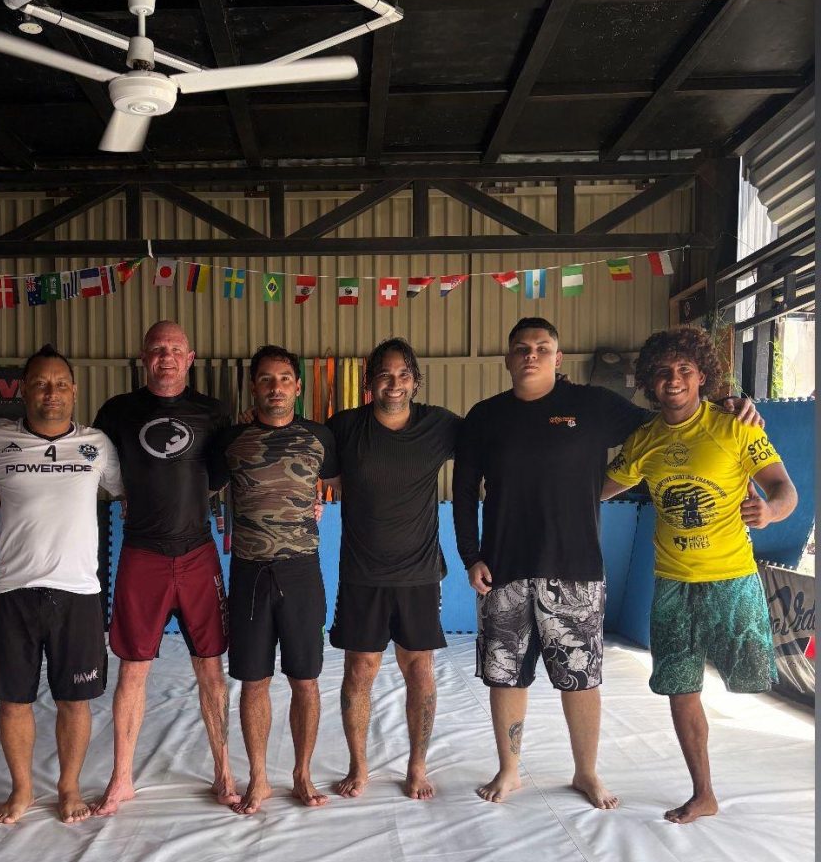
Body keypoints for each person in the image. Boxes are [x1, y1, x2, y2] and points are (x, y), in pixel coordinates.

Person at [452, 317, 761, 809]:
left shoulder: (593, 405)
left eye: (542, 347)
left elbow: (670, 417)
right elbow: (464, 491)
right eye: (522, 348)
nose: (531, 355)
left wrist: (729, 404)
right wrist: (471, 556)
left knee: (581, 678)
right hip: (503, 567)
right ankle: (509, 770)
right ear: (508, 358)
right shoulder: (485, 416)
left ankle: (586, 772)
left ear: (558, 358)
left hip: (576, 568)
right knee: (505, 675)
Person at [602, 326, 796, 824]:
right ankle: (703, 793)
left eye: (684, 370)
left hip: (732, 579)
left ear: (702, 376)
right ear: (650, 381)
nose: (674, 380)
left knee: (756, 683)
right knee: (680, 686)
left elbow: (784, 490)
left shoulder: (736, 427)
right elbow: (597, 490)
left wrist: (770, 512)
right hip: (672, 583)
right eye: (664, 372)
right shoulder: (644, 440)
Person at [0, 345, 124, 825]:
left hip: (78, 592)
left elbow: (129, 494)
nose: (51, 392)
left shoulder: (97, 444)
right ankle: (22, 790)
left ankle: (68, 787)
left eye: (60, 384)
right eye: (40, 383)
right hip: (12, 590)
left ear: (74, 390)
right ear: (24, 390)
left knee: (73, 701)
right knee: (13, 699)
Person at [90, 321, 238, 815]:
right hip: (142, 554)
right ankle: (121, 780)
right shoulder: (117, 411)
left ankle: (223, 772)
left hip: (197, 553)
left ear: (190, 358)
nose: (166, 357)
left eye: (175, 349)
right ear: (143, 356)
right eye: (157, 349)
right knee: (133, 668)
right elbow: (94, 467)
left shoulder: (213, 412)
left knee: (210, 666)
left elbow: (226, 474)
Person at [326, 338, 459, 800]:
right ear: (370, 382)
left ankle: (417, 766)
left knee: (419, 670)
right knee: (359, 670)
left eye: (403, 374)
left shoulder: (439, 425)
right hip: (361, 574)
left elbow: (494, 439)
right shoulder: (345, 427)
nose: (394, 383)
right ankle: (358, 765)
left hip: (419, 574)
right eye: (385, 374)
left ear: (416, 381)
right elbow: (306, 454)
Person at [212, 345, 339, 814]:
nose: (276, 387)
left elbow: (344, 483)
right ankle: (260, 779)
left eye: (285, 378)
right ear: (254, 386)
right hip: (249, 573)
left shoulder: (319, 437)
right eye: (266, 379)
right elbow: (199, 485)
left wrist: (319, 503)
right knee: (254, 681)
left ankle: (302, 775)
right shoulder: (231, 441)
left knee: (306, 679)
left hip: (302, 572)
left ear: (298, 386)